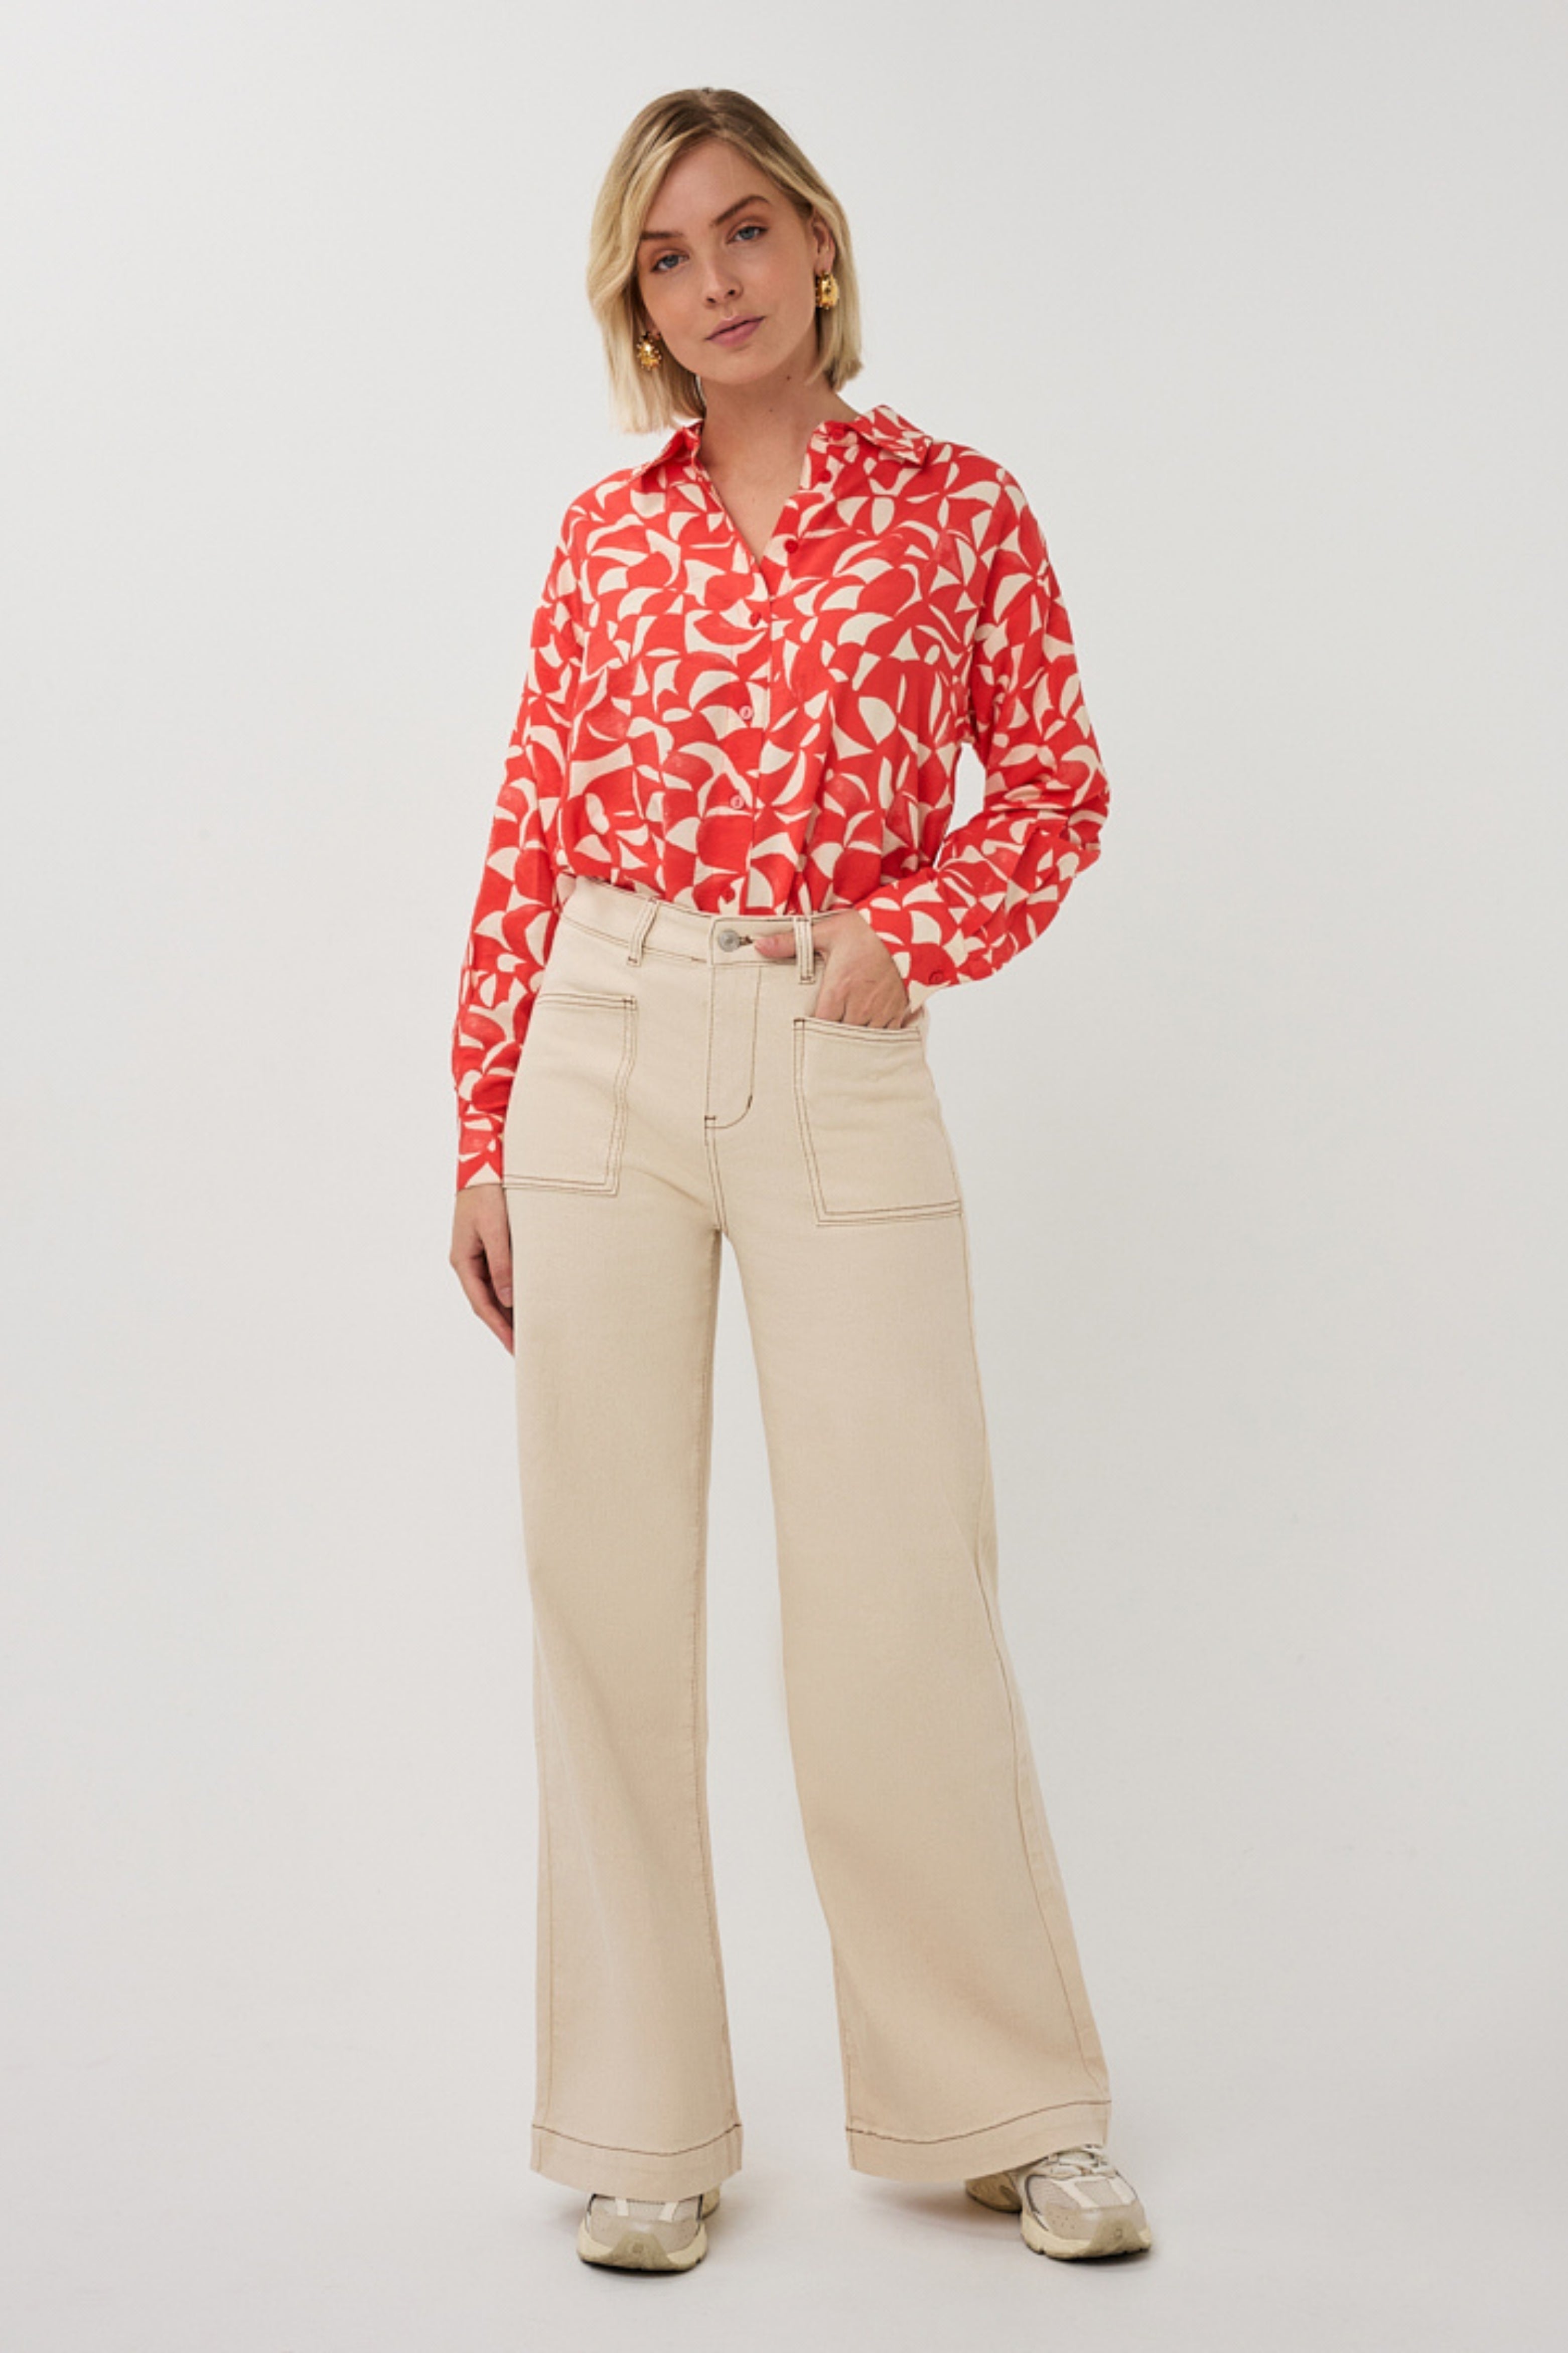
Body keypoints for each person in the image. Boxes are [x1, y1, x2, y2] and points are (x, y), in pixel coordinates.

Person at [448, 85, 1153, 2276]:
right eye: (667, 256)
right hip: (601, 1044)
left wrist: (904, 936)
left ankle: (1007, 2104)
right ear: (637, 303)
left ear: (818, 243)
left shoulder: (957, 507)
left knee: (898, 1589)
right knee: (601, 1594)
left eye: (744, 229)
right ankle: (640, 2126)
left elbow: (1052, 788)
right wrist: (478, 1125)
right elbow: (529, 824)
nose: (716, 280)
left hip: (832, 1040)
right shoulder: (606, 536)